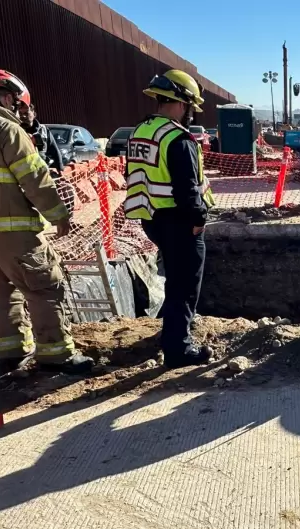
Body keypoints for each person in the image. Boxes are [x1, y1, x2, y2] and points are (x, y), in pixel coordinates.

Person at [0, 69, 92, 374]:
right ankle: (56, 355)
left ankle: (9, 352)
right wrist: (58, 215)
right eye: (16, 103)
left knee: (0, 289)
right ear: (5, 96)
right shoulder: (5, 130)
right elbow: (35, 178)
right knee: (43, 287)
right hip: (14, 230)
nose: (17, 109)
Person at [124, 69, 216, 369]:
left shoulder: (141, 132)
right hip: (181, 221)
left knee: (175, 279)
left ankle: (171, 332)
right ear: (182, 102)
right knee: (184, 285)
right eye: (191, 107)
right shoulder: (178, 138)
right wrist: (199, 217)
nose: (191, 114)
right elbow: (187, 187)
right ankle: (178, 348)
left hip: (151, 218)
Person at [18, 101, 75, 212]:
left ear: (34, 113)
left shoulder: (43, 130)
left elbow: (54, 149)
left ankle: (69, 221)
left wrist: (60, 169)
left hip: (44, 171)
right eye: (20, 114)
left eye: (26, 113)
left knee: (67, 190)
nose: (23, 116)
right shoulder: (14, 131)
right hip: (23, 176)